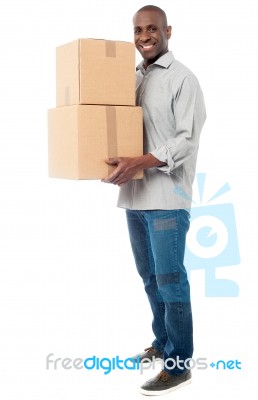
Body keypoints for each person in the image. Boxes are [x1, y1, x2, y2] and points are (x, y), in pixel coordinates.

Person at [102, 4, 206, 396]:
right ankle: (162, 343)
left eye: (152, 30)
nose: (144, 37)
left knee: (170, 280)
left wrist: (140, 162)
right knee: (150, 279)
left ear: (168, 31)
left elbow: (186, 139)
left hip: (166, 196)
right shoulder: (131, 78)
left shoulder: (183, 79)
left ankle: (179, 364)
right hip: (134, 196)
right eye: (137, 31)